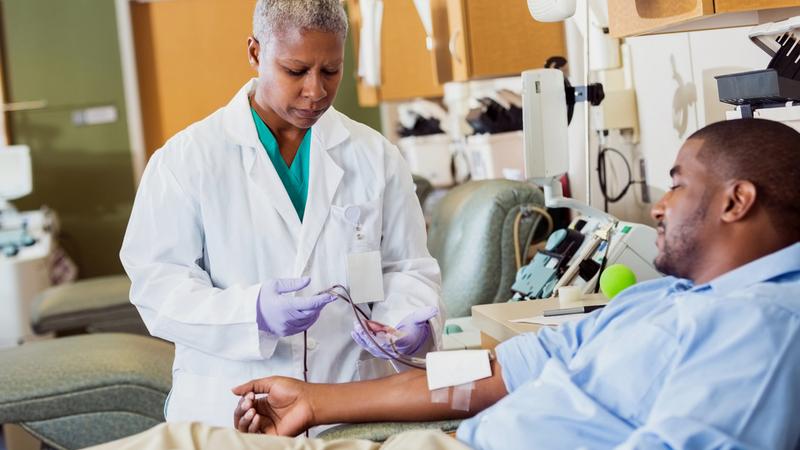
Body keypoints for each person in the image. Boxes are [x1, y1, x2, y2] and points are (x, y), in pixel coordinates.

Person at [223, 118, 800, 449]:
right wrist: (318, 400)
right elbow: (497, 370)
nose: (658, 206)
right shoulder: (662, 299)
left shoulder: (763, 328)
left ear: (736, 200)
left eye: (677, 184)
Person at [119, 0, 444, 428]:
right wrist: (252, 311)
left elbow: (407, 266)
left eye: (331, 71)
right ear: (255, 53)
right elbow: (157, 286)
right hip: (232, 405)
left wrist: (410, 323)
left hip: (352, 401)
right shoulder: (187, 160)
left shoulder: (374, 155)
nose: (316, 91)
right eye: (296, 70)